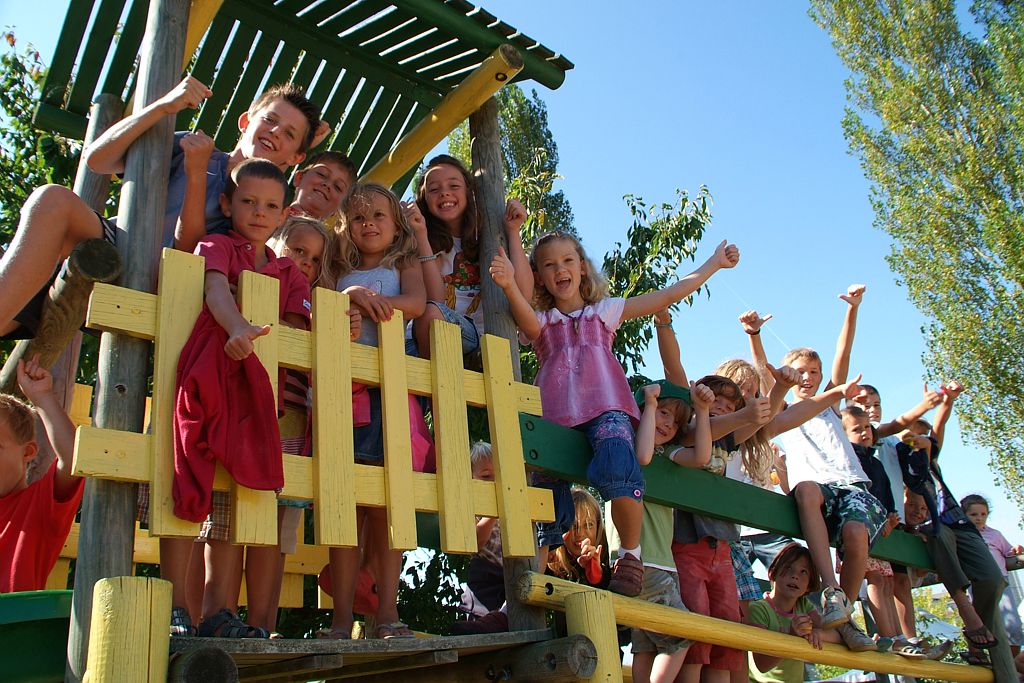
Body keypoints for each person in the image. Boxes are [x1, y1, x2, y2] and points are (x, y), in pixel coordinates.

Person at [489, 231, 739, 597]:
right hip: (556, 419)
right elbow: (526, 321)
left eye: (568, 261)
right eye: (549, 265)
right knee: (541, 496)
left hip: (604, 408)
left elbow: (666, 295)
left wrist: (714, 264)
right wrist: (510, 284)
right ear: (540, 276)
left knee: (618, 458)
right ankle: (528, 584)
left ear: (583, 268)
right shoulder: (543, 321)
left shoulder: (603, 313)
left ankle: (630, 554)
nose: (561, 269)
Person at [170, 159, 310, 639]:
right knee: (197, 479)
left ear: (284, 212)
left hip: (261, 396)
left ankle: (222, 617)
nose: (258, 212)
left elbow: (296, 325)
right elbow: (213, 286)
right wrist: (236, 326)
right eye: (247, 201)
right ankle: (189, 610)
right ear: (227, 204)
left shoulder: (286, 270)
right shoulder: (220, 245)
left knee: (245, 493)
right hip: (213, 379)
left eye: (271, 205)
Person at [319, 182, 426, 640]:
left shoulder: (401, 264)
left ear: (395, 222)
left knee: (387, 503)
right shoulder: (336, 269)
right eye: (359, 217)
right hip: (345, 388)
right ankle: (341, 618)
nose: (369, 224)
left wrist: (369, 297)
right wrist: (351, 294)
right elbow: (321, 307)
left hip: (391, 389)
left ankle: (387, 612)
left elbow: (416, 304)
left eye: (379, 215)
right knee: (346, 506)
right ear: (346, 225)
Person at [771, 286, 884, 647]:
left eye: (813, 372)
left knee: (854, 535)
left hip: (850, 485)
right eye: (800, 372)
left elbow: (843, 354)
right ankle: (832, 592)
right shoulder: (784, 412)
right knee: (803, 490)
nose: (808, 378)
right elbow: (764, 373)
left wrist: (852, 310)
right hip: (818, 490)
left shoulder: (830, 404)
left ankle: (843, 614)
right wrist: (755, 336)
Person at [242, 215, 336, 636]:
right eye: (297, 250)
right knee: (231, 517)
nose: (305, 263)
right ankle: (219, 614)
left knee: (279, 525)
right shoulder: (251, 280)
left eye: (314, 259)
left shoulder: (315, 305)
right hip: (248, 410)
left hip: (292, 416)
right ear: (274, 243)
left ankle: (262, 623)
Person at [898, 385, 1016, 680]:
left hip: (956, 523)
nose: (921, 440)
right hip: (932, 528)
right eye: (915, 435)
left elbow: (940, 425)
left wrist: (947, 402)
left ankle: (977, 635)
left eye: (924, 436)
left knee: (992, 578)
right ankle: (968, 613)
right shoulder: (904, 463)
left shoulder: (932, 460)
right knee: (939, 536)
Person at [617, 379, 713, 683]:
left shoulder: (666, 457)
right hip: (644, 562)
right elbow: (643, 454)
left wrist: (703, 410)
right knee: (683, 632)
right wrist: (651, 405)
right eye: (663, 414)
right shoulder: (629, 446)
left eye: (676, 421)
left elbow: (701, 457)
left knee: (645, 645)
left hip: (660, 563)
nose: (669, 424)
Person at [403, 154, 532, 361]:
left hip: (473, 340)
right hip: (422, 339)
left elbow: (524, 296)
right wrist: (420, 236)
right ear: (423, 198)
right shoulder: (417, 239)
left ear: (469, 192)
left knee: (432, 315)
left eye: (453, 186)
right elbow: (434, 302)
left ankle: (430, 390)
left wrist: (513, 232)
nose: (444, 193)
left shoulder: (490, 236)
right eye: (434, 189)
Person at [840, 406, 925, 658]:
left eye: (867, 428)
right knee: (875, 579)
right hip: (860, 528)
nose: (865, 433)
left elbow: (885, 493)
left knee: (886, 580)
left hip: (880, 527)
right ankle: (888, 634)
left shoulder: (874, 462)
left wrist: (890, 514)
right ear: (843, 435)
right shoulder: (848, 460)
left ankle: (896, 634)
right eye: (857, 430)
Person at [0, 355, 84, 592]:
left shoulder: (38, 506)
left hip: (14, 627)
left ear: (28, 452)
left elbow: (73, 460)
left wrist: (43, 398)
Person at [746, 543, 842, 682]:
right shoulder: (758, 609)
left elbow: (837, 635)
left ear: (809, 584)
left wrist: (818, 634)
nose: (795, 576)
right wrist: (792, 635)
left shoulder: (804, 606)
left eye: (803, 571)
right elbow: (762, 664)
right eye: (788, 568)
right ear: (773, 572)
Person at [961, 494, 1024, 658]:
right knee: (979, 620)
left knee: (1013, 626)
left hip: (1000, 582)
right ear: (964, 515)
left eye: (983, 514)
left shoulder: (994, 535)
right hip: (977, 583)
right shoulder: (962, 535)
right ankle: (977, 654)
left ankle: (1012, 663)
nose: (979, 518)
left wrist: (1016, 550)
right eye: (973, 515)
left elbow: (1009, 551)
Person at [288, 151, 357, 222]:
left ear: (340, 209)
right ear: (299, 178)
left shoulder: (317, 233)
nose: (327, 185)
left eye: (338, 187)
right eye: (322, 174)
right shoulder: (277, 212)